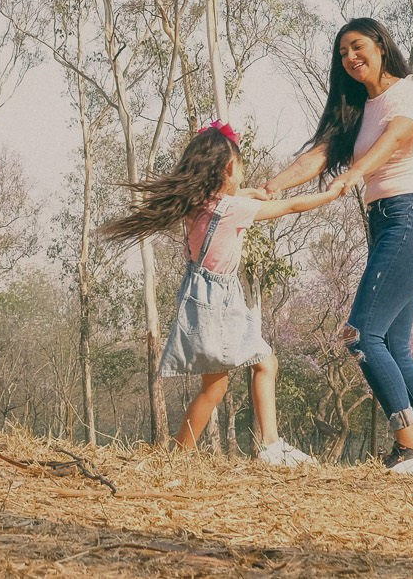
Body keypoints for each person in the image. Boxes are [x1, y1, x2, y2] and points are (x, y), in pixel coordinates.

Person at [258, 17, 413, 476]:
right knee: (394, 345)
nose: (351, 58)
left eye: (357, 47)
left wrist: (356, 174)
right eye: (342, 54)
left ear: (380, 45)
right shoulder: (356, 109)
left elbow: (398, 134)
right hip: (386, 225)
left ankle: (410, 449)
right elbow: (318, 154)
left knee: (360, 335)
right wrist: (272, 186)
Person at [101, 120, 345, 465]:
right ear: (230, 168)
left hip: (200, 296)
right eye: (241, 167)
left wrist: (251, 193)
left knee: (220, 385)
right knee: (262, 364)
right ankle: (269, 446)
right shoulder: (231, 210)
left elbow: (226, 199)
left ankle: (180, 455)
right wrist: (330, 194)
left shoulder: (197, 203)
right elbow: (290, 207)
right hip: (219, 303)